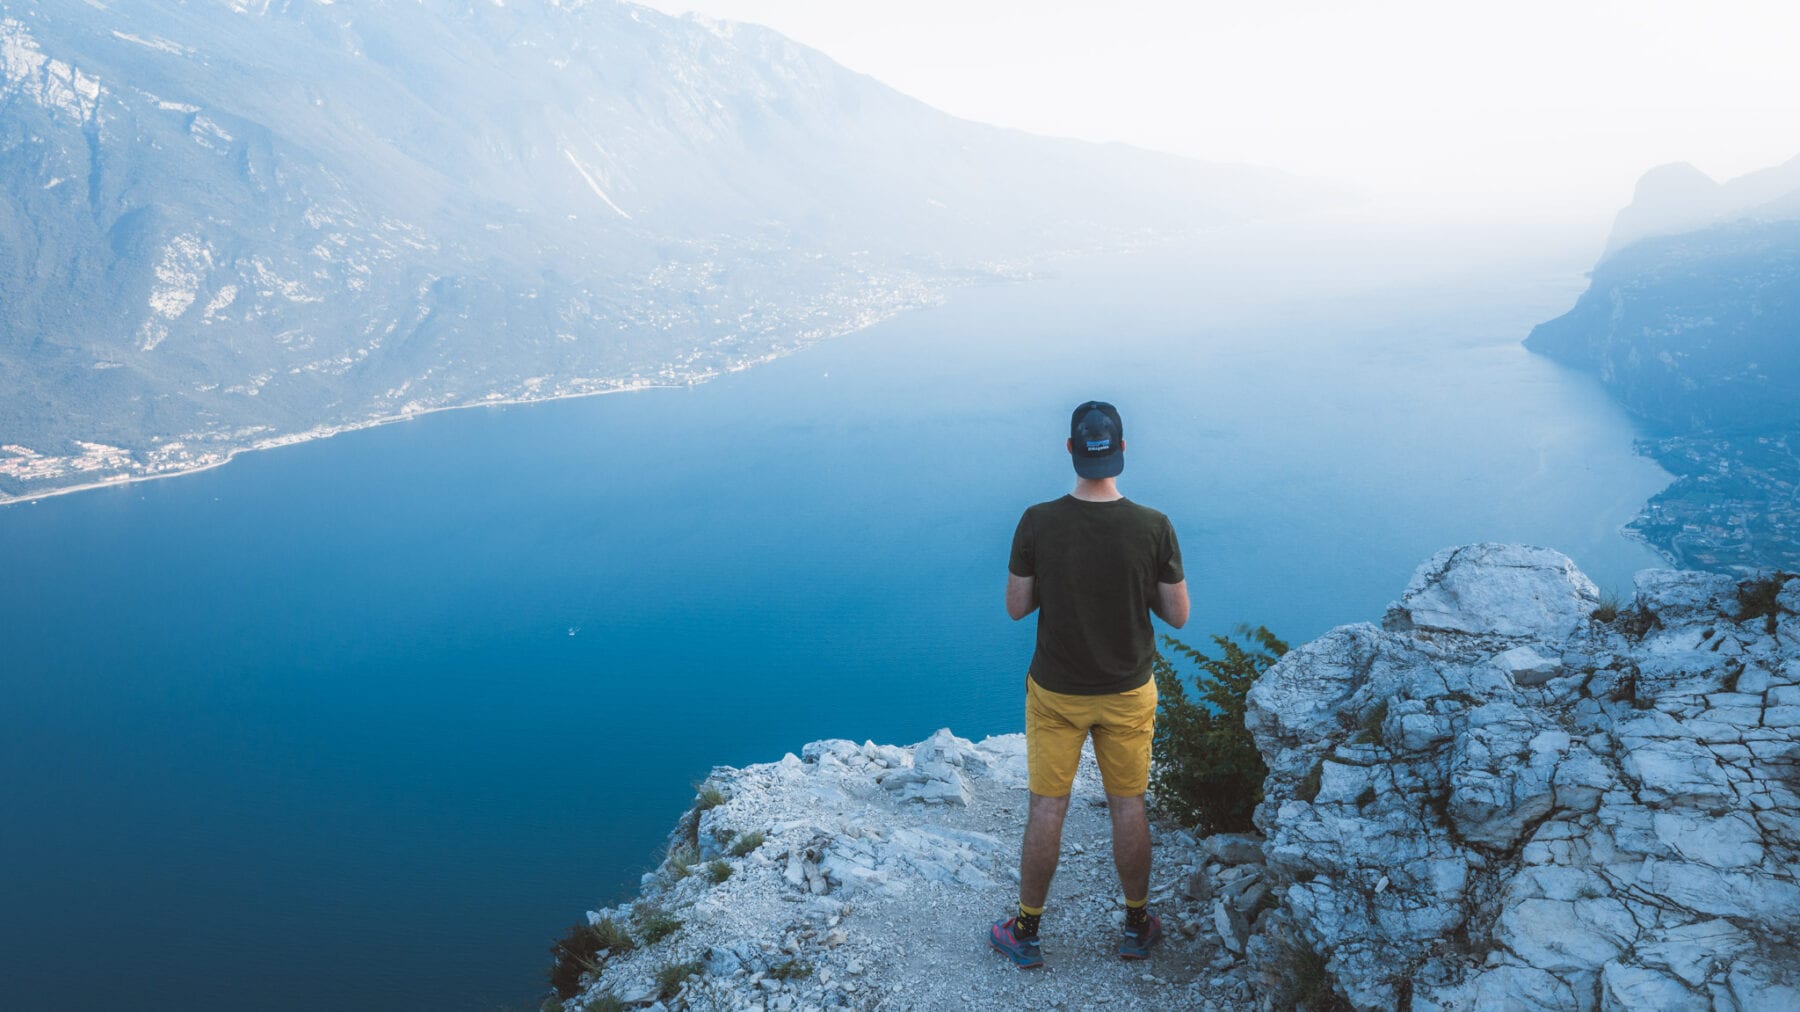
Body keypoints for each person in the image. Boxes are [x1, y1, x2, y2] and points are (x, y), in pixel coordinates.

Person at [988, 400, 1189, 969]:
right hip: (1128, 691)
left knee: (1048, 808)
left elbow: (1016, 607)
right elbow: (1177, 615)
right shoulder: (1154, 526)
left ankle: (1025, 931)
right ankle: (1135, 923)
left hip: (1056, 693)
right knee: (1129, 806)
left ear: (1071, 452)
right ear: (1122, 451)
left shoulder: (1037, 521)